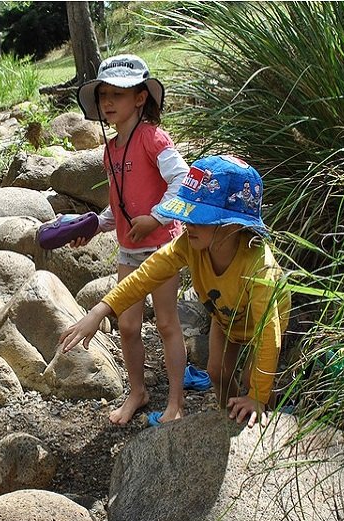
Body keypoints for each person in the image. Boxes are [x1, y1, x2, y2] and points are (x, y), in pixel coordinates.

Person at [59, 155, 291, 427]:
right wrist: (101, 310)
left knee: (254, 381)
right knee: (216, 371)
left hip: (264, 321)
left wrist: (256, 396)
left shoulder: (258, 267)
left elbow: (268, 334)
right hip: (225, 315)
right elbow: (147, 274)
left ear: (232, 226)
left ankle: (264, 404)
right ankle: (228, 417)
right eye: (187, 215)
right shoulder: (189, 244)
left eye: (199, 217)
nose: (187, 224)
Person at [70, 54, 190, 425]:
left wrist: (157, 216)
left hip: (162, 247)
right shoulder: (111, 149)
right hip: (129, 248)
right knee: (127, 325)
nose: (108, 102)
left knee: (168, 323)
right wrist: (94, 226)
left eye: (118, 94)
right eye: (104, 94)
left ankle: (176, 401)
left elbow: (184, 181)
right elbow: (119, 205)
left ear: (140, 98)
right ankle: (137, 391)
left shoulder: (153, 138)